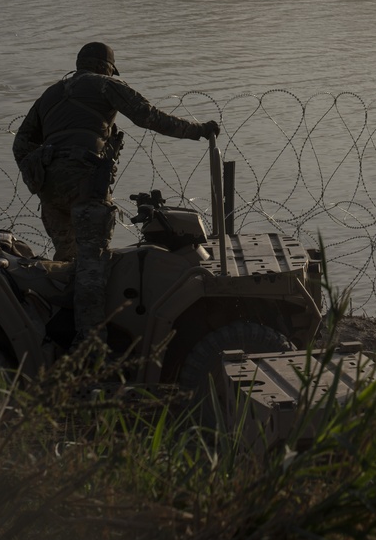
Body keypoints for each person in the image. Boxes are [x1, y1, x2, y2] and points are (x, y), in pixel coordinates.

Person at [12, 42, 220, 345]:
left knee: (67, 263)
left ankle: (53, 335)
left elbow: (20, 145)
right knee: (91, 269)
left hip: (50, 192)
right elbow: (148, 116)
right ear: (107, 68)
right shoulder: (106, 85)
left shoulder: (51, 94)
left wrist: (40, 178)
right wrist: (197, 130)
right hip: (84, 185)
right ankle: (90, 349)